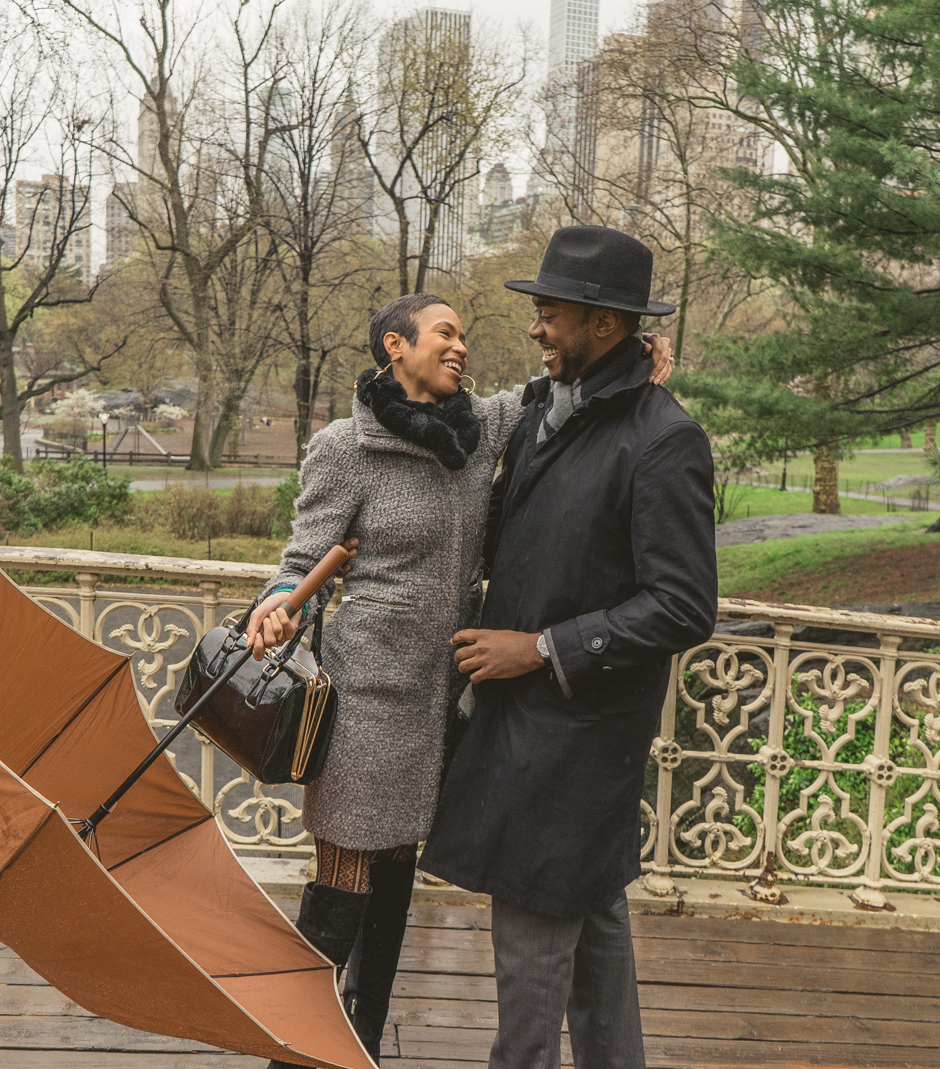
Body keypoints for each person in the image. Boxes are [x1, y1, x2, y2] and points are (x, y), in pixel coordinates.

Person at [244, 292, 673, 1064]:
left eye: (463, 337)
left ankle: (362, 1043)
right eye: (445, 333)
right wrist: (275, 606)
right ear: (393, 346)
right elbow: (301, 562)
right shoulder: (346, 446)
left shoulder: (480, 432)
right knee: (343, 876)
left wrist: (642, 358)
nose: (460, 347)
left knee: (397, 871)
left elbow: (564, 381)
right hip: (363, 698)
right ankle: (294, 1049)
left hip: (440, 701)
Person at [419, 225, 721, 1069]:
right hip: (525, 729)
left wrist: (544, 647)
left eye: (550, 314)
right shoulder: (542, 409)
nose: (534, 328)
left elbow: (684, 605)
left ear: (605, 324)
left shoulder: (665, 440)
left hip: (578, 742)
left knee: (532, 945)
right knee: (592, 929)